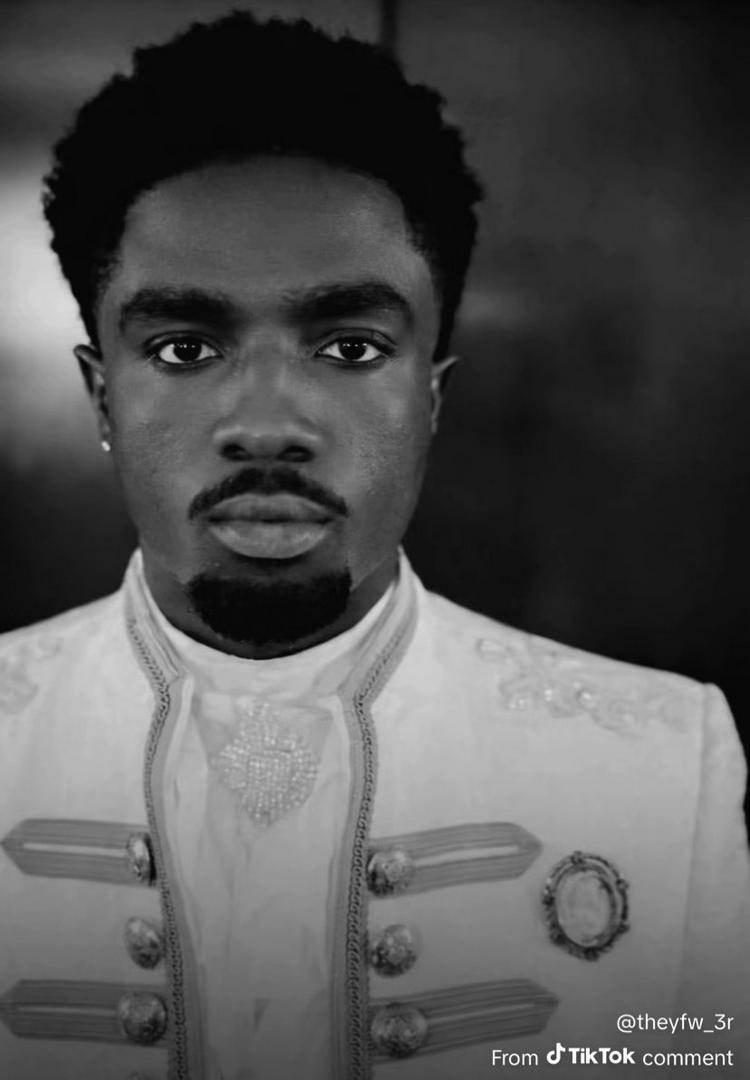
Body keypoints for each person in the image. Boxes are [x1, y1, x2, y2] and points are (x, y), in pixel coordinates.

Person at [0, 11, 747, 1080]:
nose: (268, 424)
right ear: (99, 394)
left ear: (430, 399)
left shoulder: (664, 762)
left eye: (350, 347)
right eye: (185, 347)